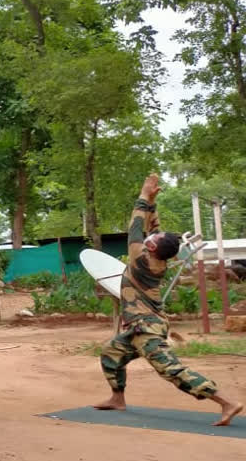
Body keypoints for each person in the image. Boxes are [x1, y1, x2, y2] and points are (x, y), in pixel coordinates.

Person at [95, 174, 243, 426]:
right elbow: (154, 229)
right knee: (111, 353)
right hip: (139, 327)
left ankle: (227, 402)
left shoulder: (141, 259)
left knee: (170, 369)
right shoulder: (157, 255)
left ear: (151, 248)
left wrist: (143, 195)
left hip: (147, 329)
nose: (150, 237)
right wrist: (153, 203)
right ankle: (117, 398)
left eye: (151, 240)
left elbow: (134, 227)